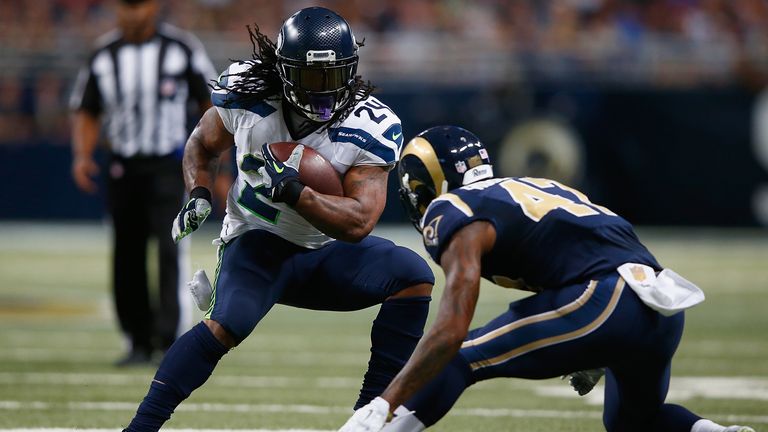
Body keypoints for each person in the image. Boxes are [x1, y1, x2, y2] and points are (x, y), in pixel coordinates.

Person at [122, 7, 434, 431]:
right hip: (257, 242)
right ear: (283, 71)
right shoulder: (249, 94)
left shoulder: (369, 124)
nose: (322, 89)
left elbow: (360, 222)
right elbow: (201, 143)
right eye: (309, 77)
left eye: (332, 75)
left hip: (325, 250)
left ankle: (368, 419)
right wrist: (198, 191)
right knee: (225, 326)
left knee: (413, 276)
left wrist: (296, 192)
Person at [340, 126, 756, 432]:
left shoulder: (451, 208)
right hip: (660, 305)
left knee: (460, 355)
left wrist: (384, 402)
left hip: (606, 299)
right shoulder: (536, 187)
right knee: (636, 422)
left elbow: (451, 330)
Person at [69, 0, 218, 366]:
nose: (132, 14)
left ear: (153, 7)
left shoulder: (182, 49)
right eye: (125, 6)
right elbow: (86, 109)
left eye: (138, 5)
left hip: (169, 165)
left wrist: (215, 162)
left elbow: (211, 105)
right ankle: (136, 340)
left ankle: (169, 340)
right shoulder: (104, 53)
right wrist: (83, 155)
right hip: (123, 166)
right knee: (127, 253)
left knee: (171, 249)